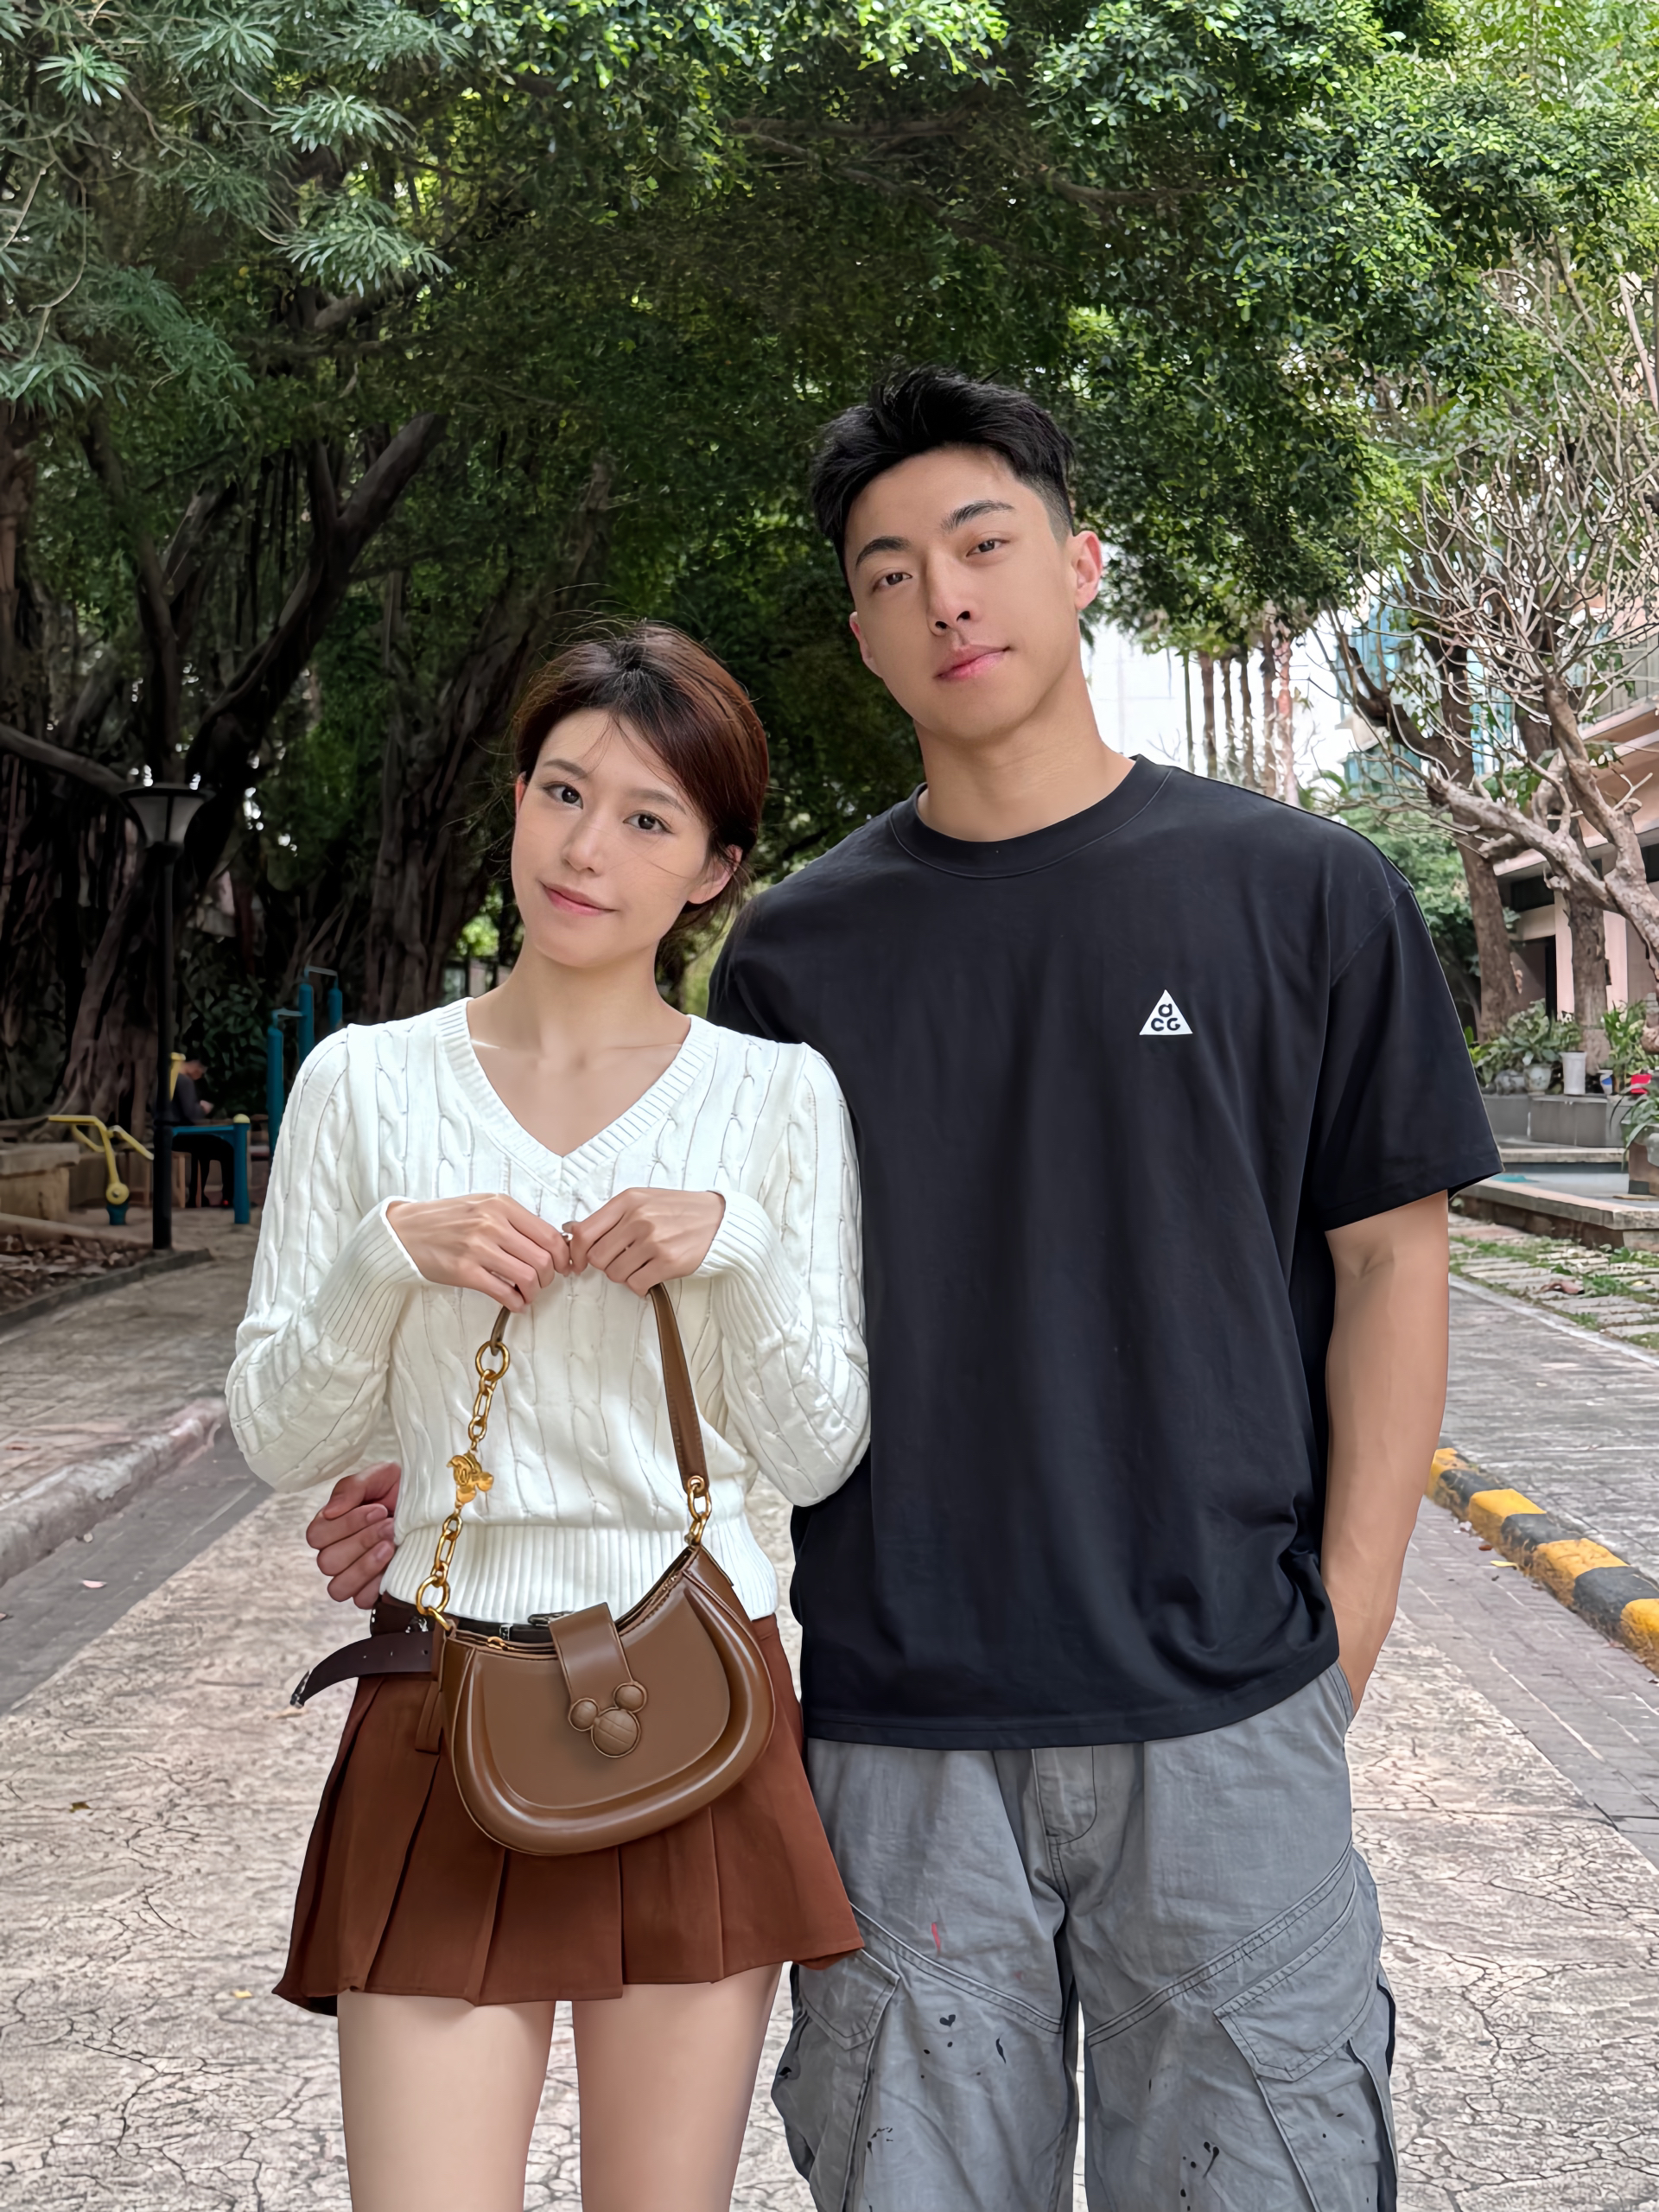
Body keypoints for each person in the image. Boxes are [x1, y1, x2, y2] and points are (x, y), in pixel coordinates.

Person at [308, 368, 1501, 2210]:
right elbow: (712, 1300)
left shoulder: (1304, 893)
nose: (944, 596)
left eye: (982, 542)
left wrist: (1343, 1631)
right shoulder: (799, 958)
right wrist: (471, 1451)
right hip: (895, 1716)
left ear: (1081, 563)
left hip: (1228, 1704)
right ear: (859, 634)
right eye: (887, 574)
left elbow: (1391, 1260)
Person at [228, 624, 869, 2212]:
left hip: (698, 1691)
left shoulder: (776, 1097)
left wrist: (736, 1248)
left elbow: (816, 1450)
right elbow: (280, 1438)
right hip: (440, 1691)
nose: (588, 850)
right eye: (564, 793)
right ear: (515, 801)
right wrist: (390, 1257)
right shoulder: (366, 1085)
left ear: (714, 869)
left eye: (650, 819)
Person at [171, 1056, 235, 1206]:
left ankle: (197, 1196)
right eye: (201, 1071)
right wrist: (203, 1108)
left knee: (202, 1150)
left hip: (169, 1134)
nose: (200, 1075)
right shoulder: (184, 1081)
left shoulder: (168, 1079)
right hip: (180, 1135)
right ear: (195, 1065)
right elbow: (192, 1114)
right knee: (227, 1150)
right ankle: (229, 1197)